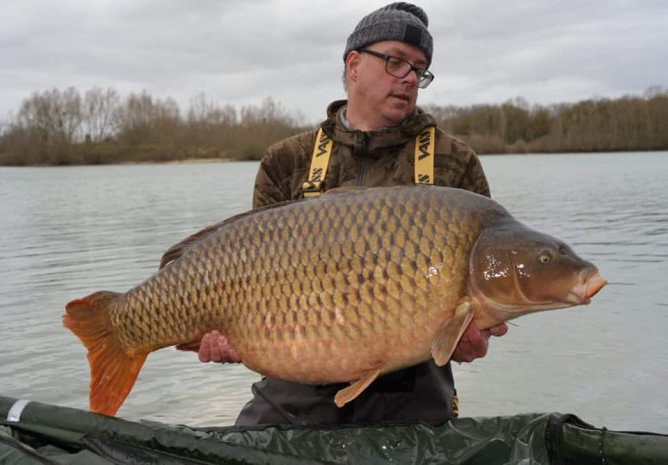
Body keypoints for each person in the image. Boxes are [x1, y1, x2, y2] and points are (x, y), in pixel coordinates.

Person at [179, 1, 507, 425]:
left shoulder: (453, 164)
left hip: (413, 391)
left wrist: (470, 338)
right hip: (297, 386)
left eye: (419, 68)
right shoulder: (287, 161)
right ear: (354, 65)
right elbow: (252, 288)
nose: (409, 78)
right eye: (395, 62)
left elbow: (476, 301)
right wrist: (228, 340)